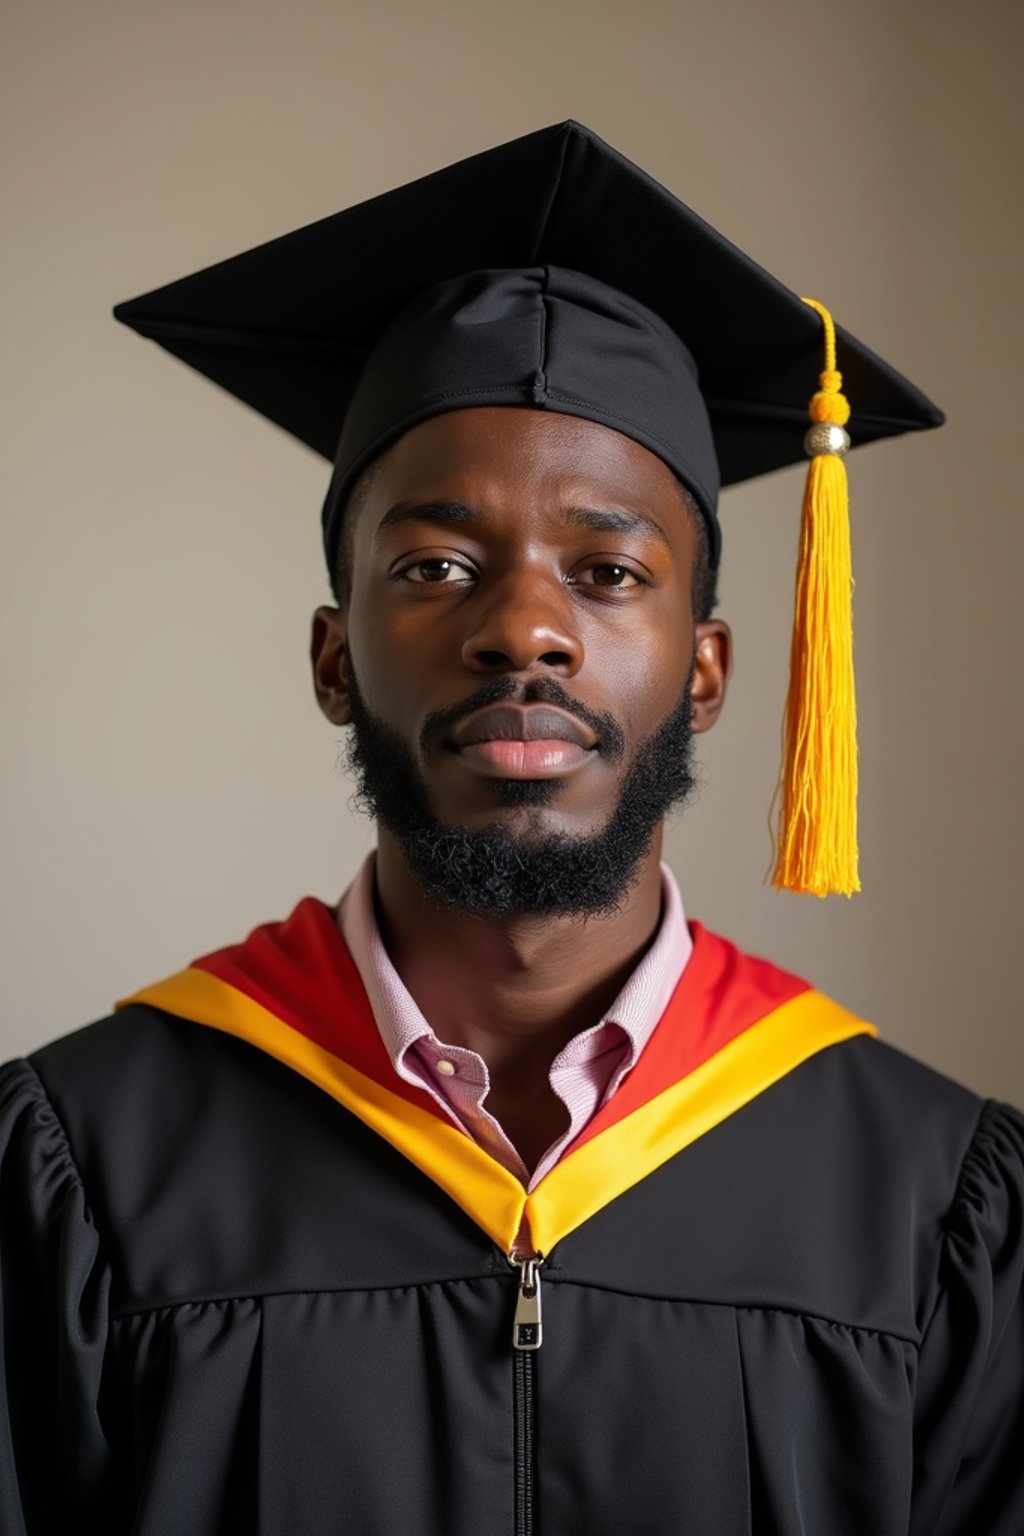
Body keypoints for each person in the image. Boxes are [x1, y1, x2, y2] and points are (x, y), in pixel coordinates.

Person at [1, 121, 1021, 1536]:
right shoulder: (85, 1167)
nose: (524, 628)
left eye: (607, 570)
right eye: (435, 565)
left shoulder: (927, 1197)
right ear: (333, 660)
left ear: (708, 671)